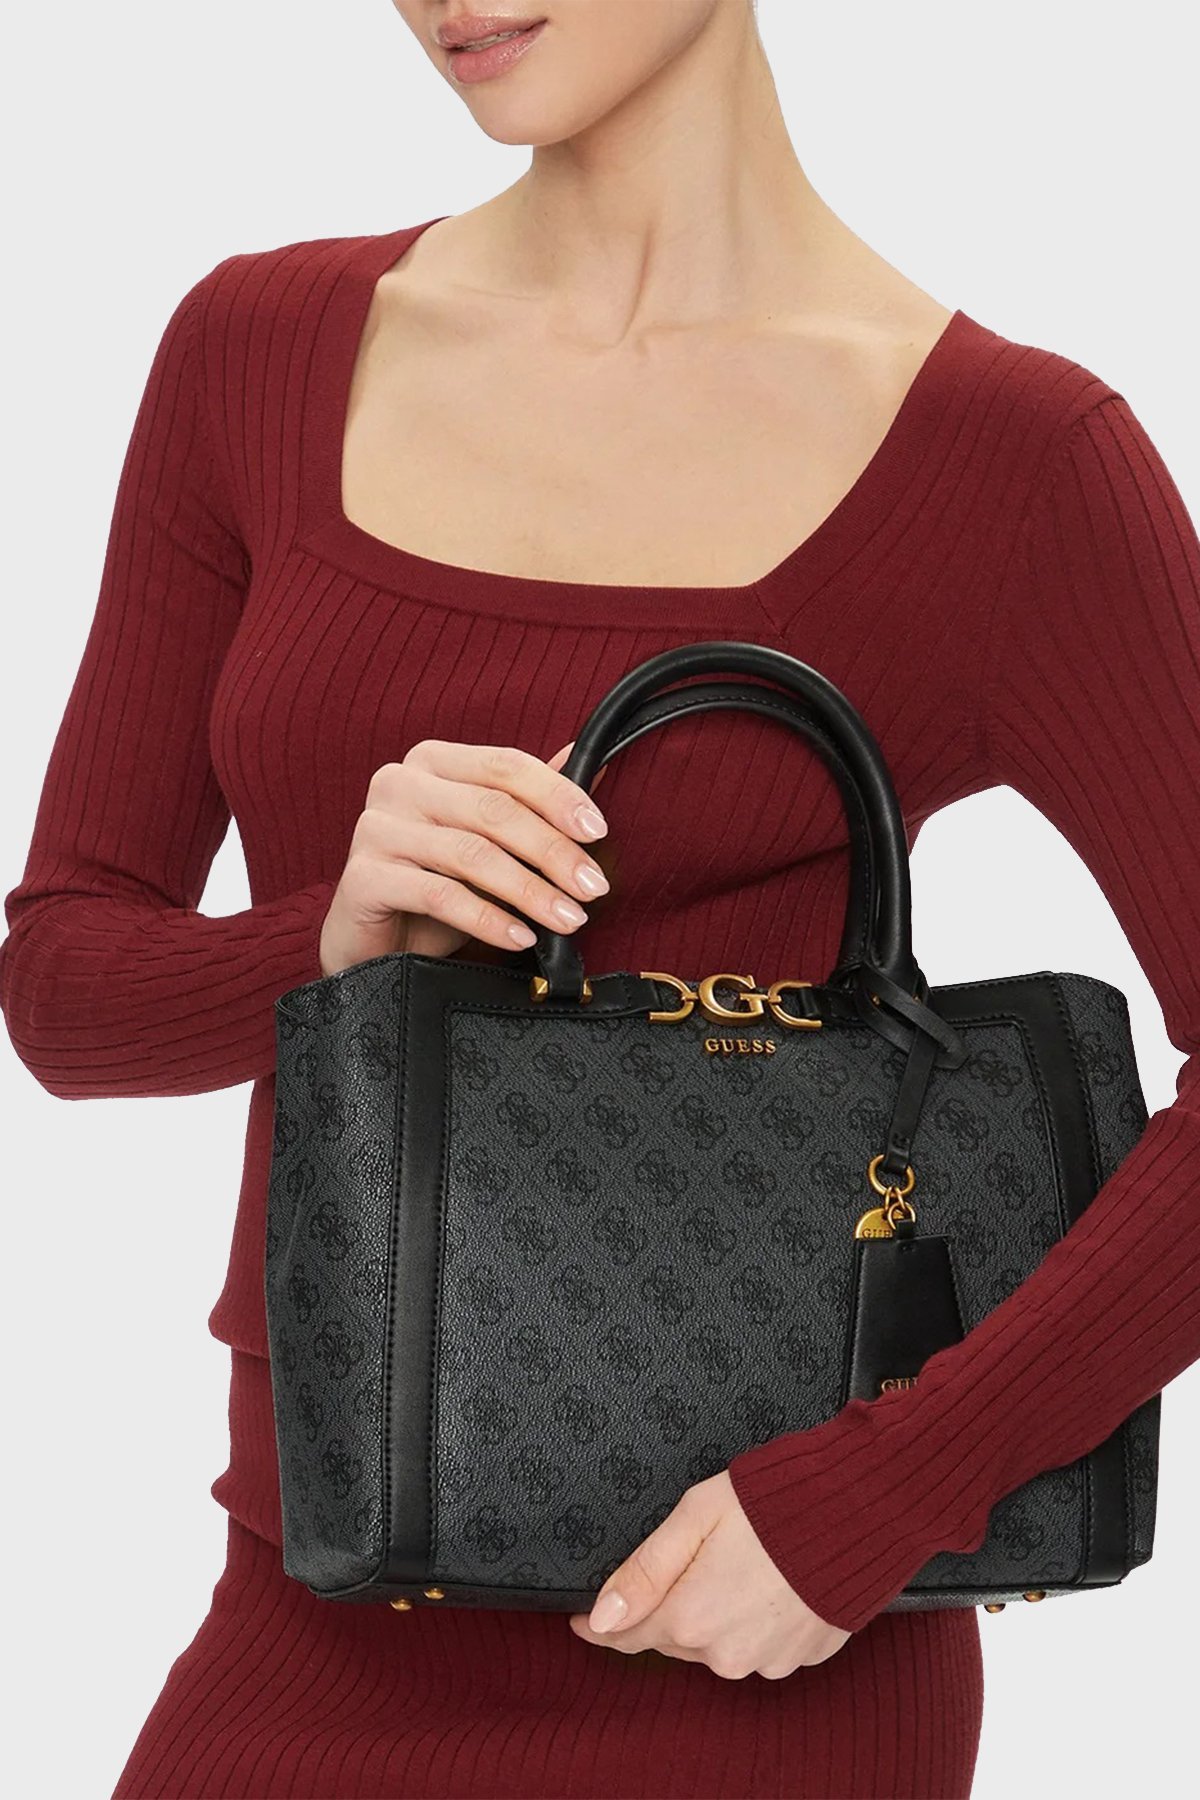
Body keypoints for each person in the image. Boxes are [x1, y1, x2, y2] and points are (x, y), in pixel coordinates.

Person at [2, 1, 1197, 1796]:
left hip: (767, 1666)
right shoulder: (254, 350)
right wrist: (325, 939)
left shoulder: (1017, 461)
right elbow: (63, 986)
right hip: (306, 1617)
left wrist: (886, 1492)